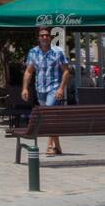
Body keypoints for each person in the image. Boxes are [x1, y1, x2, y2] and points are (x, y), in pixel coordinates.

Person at [22, 25, 70, 156]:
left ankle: (49, 146)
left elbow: (66, 72)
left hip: (53, 88)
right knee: (48, 118)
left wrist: (60, 88)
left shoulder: (58, 52)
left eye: (47, 35)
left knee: (48, 114)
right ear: (38, 38)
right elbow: (29, 71)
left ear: (50, 37)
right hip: (40, 89)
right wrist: (25, 88)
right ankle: (58, 146)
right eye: (42, 35)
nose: (44, 37)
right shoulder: (33, 52)